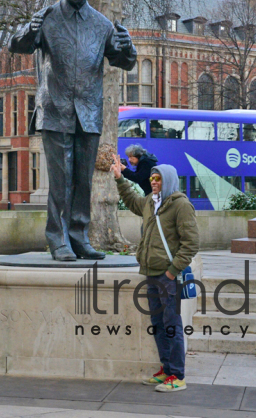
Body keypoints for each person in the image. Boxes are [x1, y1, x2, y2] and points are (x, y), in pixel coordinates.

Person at [8, 0, 137, 261]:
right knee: (61, 180)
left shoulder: (102, 25)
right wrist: (29, 30)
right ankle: (58, 238)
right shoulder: (48, 16)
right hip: (55, 110)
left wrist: (129, 48)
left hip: (89, 113)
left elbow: (123, 60)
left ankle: (79, 236)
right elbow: (17, 45)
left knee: (83, 180)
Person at [111, 154, 199, 392]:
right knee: (159, 324)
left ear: (168, 180)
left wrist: (171, 273)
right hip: (151, 274)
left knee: (172, 325)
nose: (153, 182)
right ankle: (166, 369)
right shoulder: (151, 201)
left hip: (167, 276)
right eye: (152, 178)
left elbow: (190, 244)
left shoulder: (180, 205)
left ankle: (178, 376)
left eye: (158, 179)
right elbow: (132, 201)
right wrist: (120, 179)